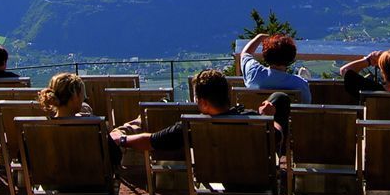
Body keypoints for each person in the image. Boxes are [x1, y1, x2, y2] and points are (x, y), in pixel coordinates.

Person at [111, 69, 288, 157]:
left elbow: (150, 140)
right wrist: (268, 118)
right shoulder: (254, 120)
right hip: (254, 177)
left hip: (211, 179)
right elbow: (278, 135)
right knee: (279, 98)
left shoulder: (190, 127)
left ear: (203, 102)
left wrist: (122, 139)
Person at [238, 33, 311, 103]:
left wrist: (259, 37)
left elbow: (245, 54)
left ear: (265, 55)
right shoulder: (300, 84)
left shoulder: (254, 73)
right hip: (288, 116)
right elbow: (306, 105)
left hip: (256, 115)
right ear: (291, 57)